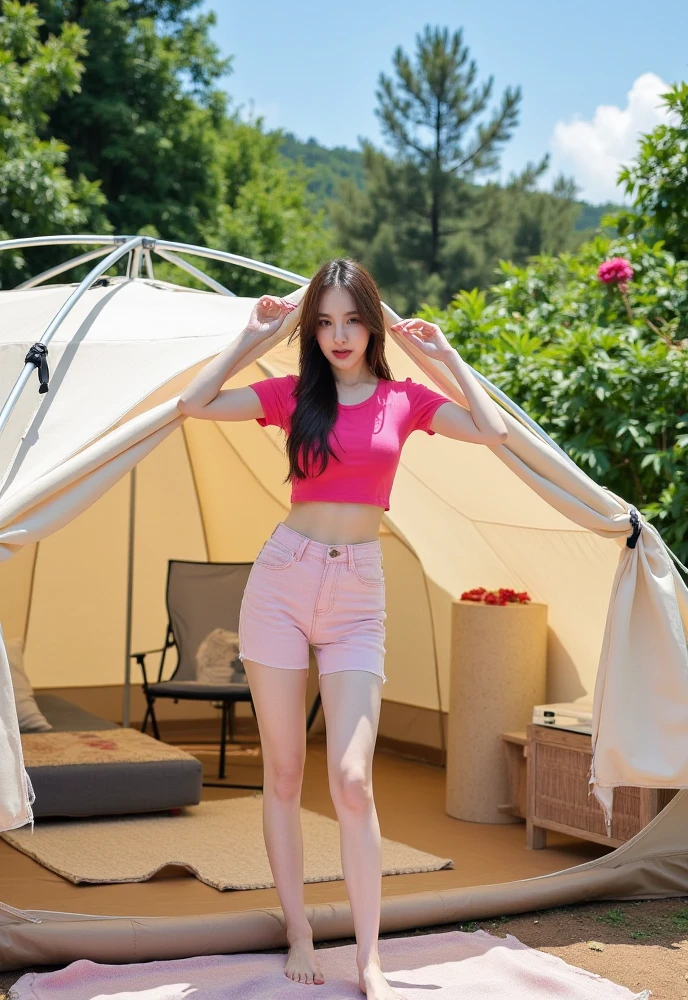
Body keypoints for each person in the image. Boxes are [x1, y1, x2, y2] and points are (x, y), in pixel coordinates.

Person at [177, 258, 508, 999]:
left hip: (358, 591)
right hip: (282, 582)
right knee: (287, 774)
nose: (337, 335)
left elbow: (492, 432)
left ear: (373, 320)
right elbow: (193, 404)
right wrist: (250, 337)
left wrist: (444, 355)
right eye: (322, 322)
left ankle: (368, 957)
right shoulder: (293, 396)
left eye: (351, 319)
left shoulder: (404, 399)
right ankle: (298, 927)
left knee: (353, 780)